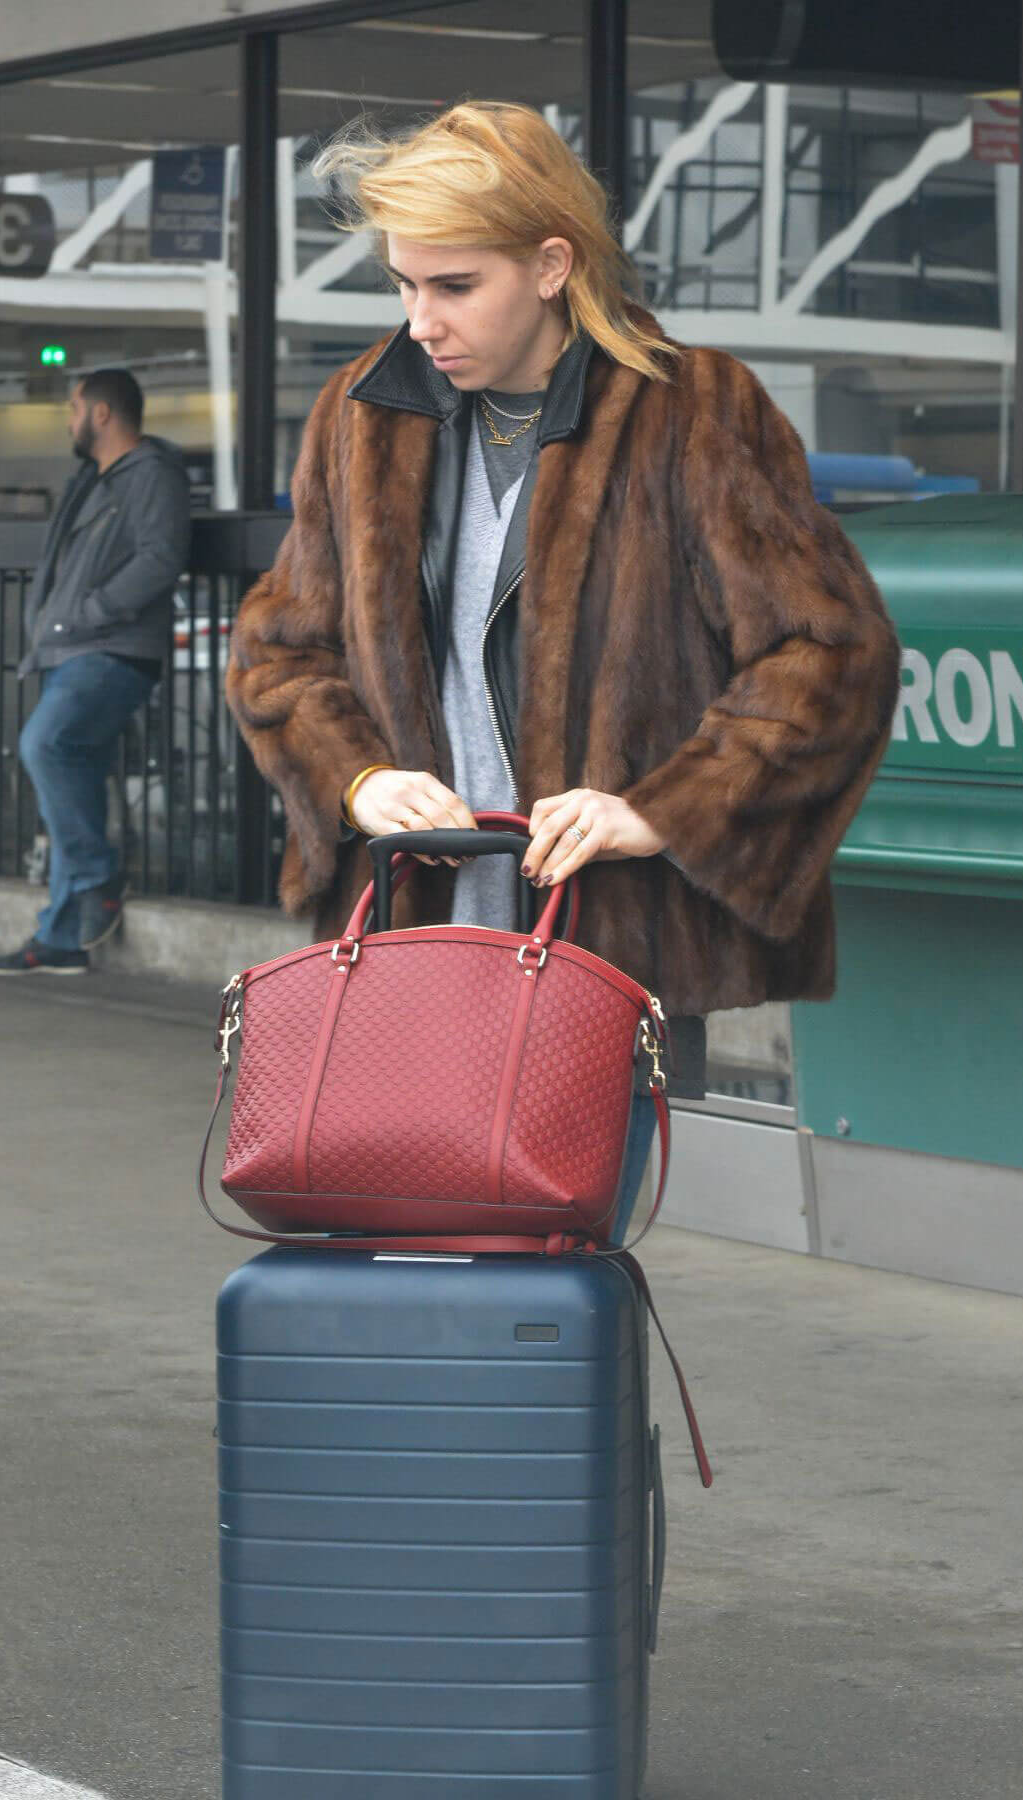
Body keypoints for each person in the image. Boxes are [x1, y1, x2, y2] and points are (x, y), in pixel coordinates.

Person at [225, 103, 901, 1240]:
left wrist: (658, 809)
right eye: (402, 284)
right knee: (408, 1267)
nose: (419, 319)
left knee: (555, 1267)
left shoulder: (697, 411)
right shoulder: (362, 414)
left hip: (606, 945)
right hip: (412, 930)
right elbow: (277, 651)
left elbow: (831, 653)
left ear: (551, 265)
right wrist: (355, 781)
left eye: (453, 284)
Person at [0, 368, 190, 976]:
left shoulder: (150, 474)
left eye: (72, 407)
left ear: (102, 413)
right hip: (71, 649)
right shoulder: (91, 481)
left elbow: (161, 556)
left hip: (111, 648)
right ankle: (63, 936)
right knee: (65, 780)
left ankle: (99, 881)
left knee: (45, 747)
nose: (67, 420)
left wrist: (92, 611)